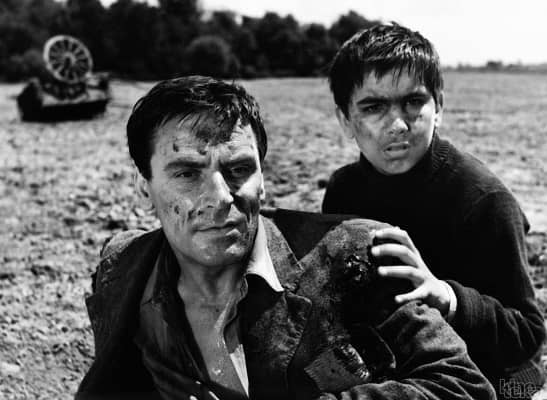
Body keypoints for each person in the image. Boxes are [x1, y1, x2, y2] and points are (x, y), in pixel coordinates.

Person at [76, 75, 495, 400]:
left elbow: (464, 386)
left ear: (263, 180)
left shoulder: (354, 257)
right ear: (144, 185)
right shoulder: (124, 268)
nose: (220, 197)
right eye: (187, 173)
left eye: (239, 170)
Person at [322, 23, 546, 399]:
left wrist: (446, 297)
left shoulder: (485, 200)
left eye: (413, 102)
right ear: (345, 119)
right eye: (373, 107)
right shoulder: (343, 190)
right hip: (402, 361)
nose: (398, 125)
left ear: (438, 106)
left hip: (498, 374)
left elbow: (527, 335)